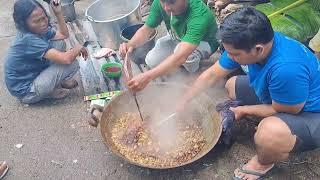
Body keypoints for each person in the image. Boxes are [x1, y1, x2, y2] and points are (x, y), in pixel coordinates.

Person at [178, 7, 320, 180]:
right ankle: (268, 122)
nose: (230, 57)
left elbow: (285, 110)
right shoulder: (254, 42)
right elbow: (213, 74)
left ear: (258, 49)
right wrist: (184, 100)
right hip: (284, 94)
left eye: (234, 54)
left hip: (310, 113)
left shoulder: (286, 69)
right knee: (231, 85)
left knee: (268, 133)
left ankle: (264, 163)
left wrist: (244, 110)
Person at [119, 0, 219, 92]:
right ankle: (175, 67)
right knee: (151, 60)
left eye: (172, 2)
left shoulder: (199, 14)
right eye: (163, 2)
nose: (166, 8)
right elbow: (146, 30)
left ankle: (194, 75)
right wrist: (130, 45)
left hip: (203, 43)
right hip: (177, 37)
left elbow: (181, 56)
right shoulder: (160, 3)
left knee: (187, 56)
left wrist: (147, 77)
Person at [4, 0, 88, 104]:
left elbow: (63, 35)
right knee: (71, 64)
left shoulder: (38, 28)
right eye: (37, 21)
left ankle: (55, 83)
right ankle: (47, 93)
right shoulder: (27, 39)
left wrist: (58, 12)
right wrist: (78, 48)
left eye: (44, 18)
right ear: (24, 23)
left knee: (59, 43)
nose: (43, 23)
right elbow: (66, 59)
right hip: (26, 92)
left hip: (33, 73)